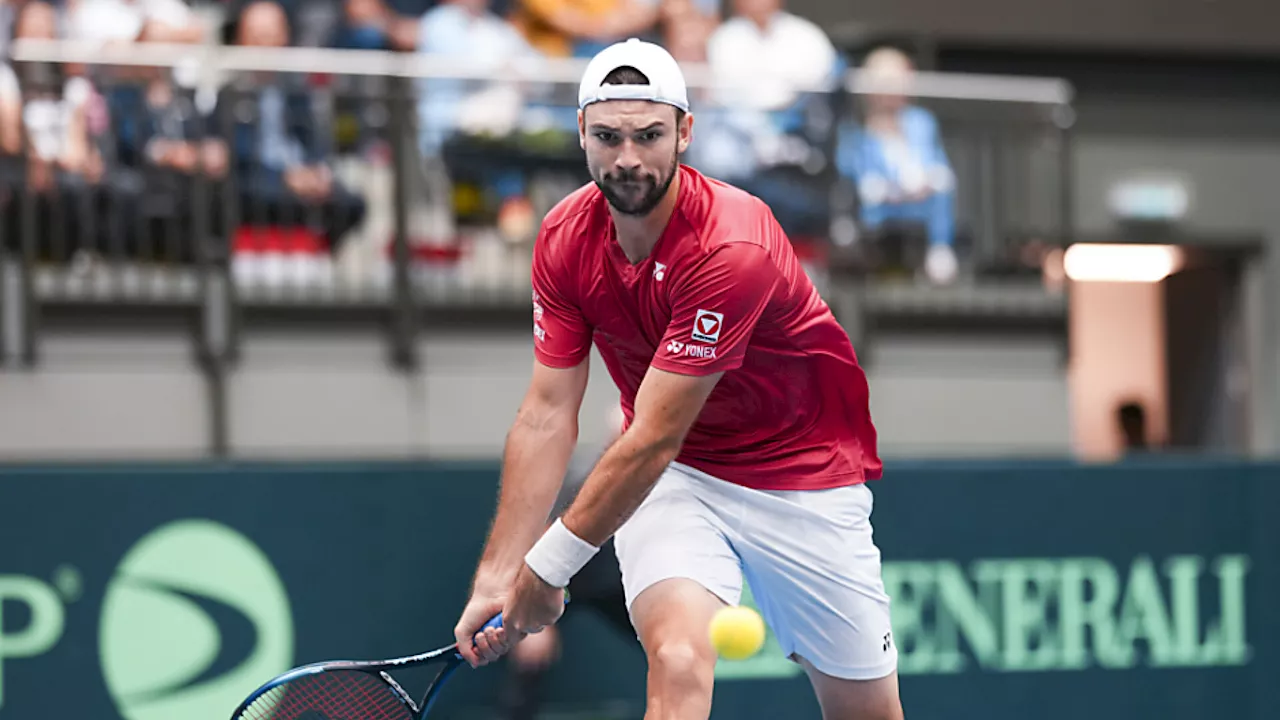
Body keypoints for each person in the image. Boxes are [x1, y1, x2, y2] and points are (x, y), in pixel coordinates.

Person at [452, 38, 903, 720]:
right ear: (581, 133)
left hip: (802, 474)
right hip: (680, 478)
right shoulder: (562, 239)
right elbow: (547, 413)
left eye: (648, 135)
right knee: (679, 657)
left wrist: (545, 572)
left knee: (864, 712)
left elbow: (653, 436)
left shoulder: (733, 245)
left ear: (685, 133)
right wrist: (498, 574)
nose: (627, 157)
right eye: (608, 136)